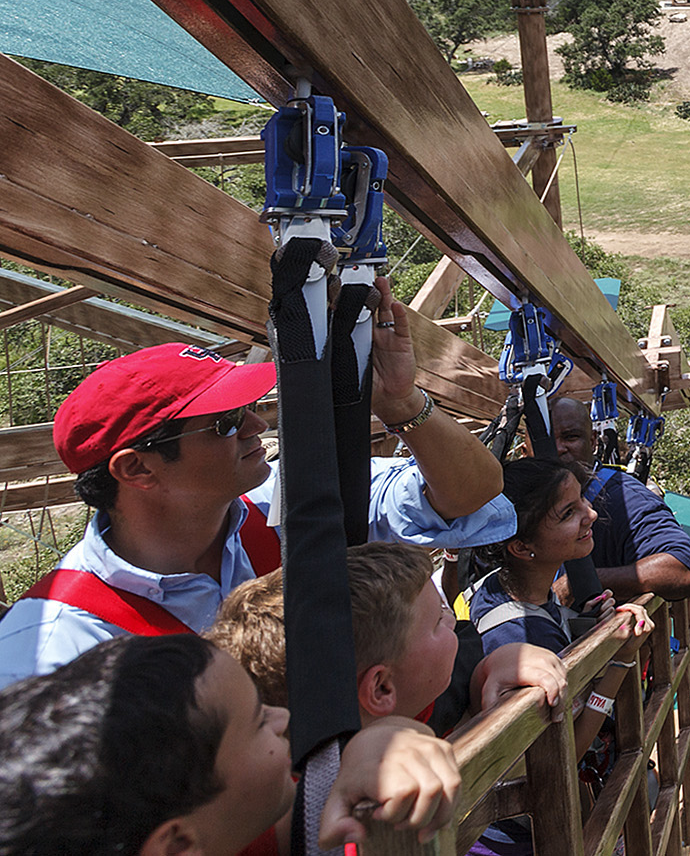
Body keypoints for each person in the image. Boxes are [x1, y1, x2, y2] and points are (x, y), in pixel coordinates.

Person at [0, 279, 513, 686]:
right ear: (136, 470)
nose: (256, 427)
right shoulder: (53, 645)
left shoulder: (284, 504)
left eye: (246, 409)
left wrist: (400, 404)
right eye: (225, 423)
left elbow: (472, 496)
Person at [208, 542, 567, 856]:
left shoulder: (403, 705)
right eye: (438, 621)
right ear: (381, 689)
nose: (453, 619)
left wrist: (489, 670)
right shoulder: (275, 823)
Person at [0, 632, 457, 856]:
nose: (284, 719)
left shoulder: (226, 826)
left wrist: (383, 738)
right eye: (259, 721)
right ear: (176, 845)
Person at [461, 457, 655, 856]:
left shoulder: (498, 586)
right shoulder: (518, 637)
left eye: (582, 500)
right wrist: (619, 659)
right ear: (521, 546)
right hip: (522, 836)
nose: (591, 514)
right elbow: (568, 750)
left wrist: (584, 624)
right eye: (569, 513)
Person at [548, 397, 690, 605]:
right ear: (524, 448)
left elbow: (681, 569)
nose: (558, 448)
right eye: (545, 439)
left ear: (593, 441)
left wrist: (579, 583)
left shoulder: (624, 497)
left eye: (570, 437)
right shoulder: (520, 501)